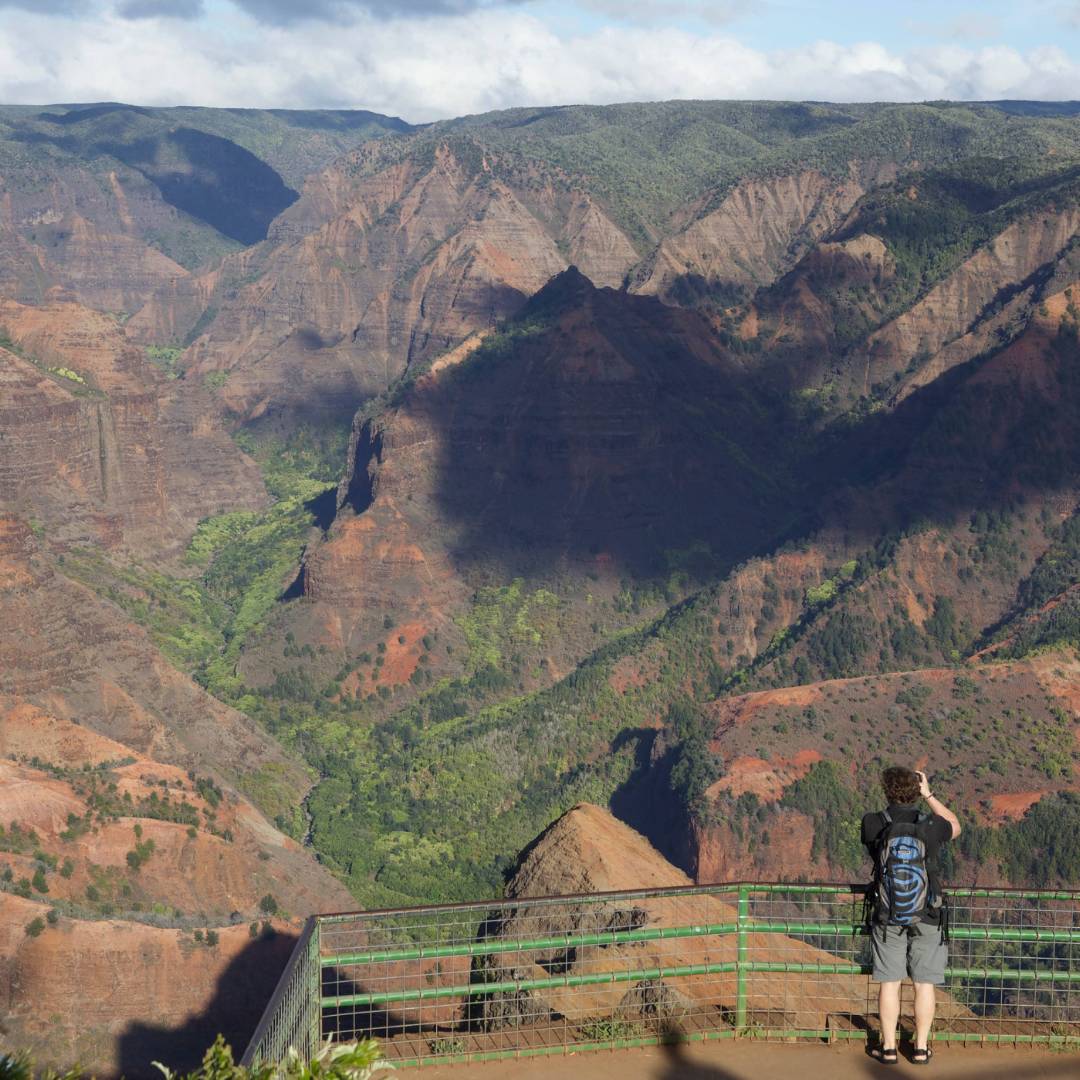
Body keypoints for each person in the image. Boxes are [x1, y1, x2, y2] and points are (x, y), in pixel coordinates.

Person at [862, 766, 961, 1066]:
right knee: (924, 983)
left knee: (889, 983)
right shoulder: (931, 824)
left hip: (887, 911)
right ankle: (919, 1048)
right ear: (915, 790)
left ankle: (889, 1047)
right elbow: (956, 826)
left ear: (887, 790)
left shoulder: (873, 823)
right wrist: (929, 794)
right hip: (928, 911)